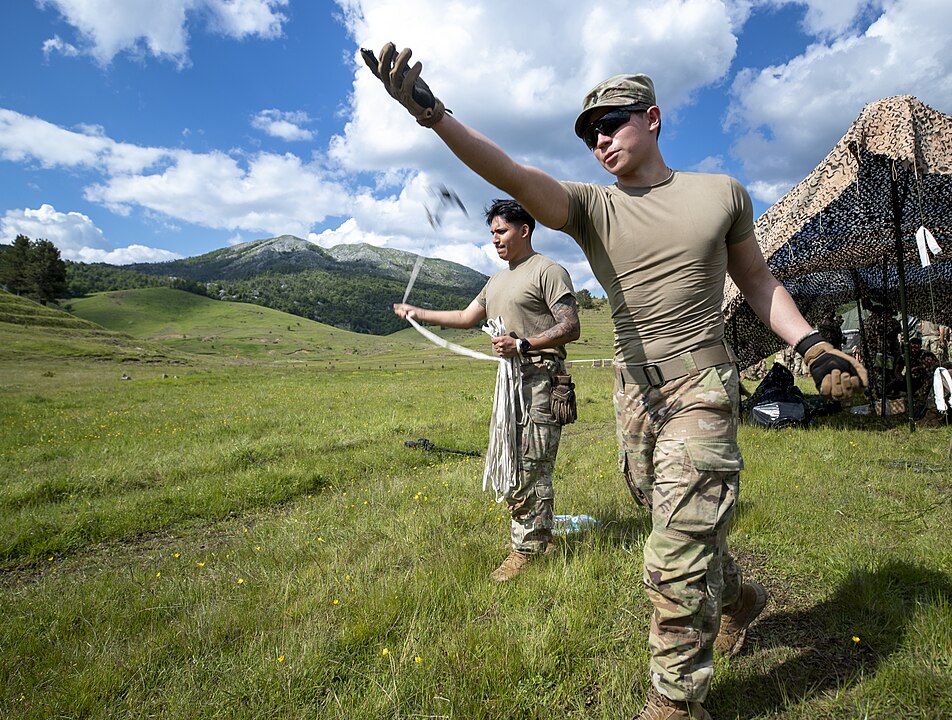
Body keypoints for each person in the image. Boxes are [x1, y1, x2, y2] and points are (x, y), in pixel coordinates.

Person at [361, 44, 867, 720]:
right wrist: (433, 115)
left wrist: (811, 345)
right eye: (589, 132)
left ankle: (675, 702)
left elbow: (758, 282)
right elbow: (509, 169)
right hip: (635, 393)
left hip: (703, 385)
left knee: (674, 555)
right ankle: (739, 598)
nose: (600, 139)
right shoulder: (590, 206)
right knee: (660, 510)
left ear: (652, 118)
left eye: (613, 122)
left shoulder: (722, 194)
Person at [393, 199, 581, 582]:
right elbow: (465, 318)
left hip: (541, 381)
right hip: (509, 384)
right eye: (492, 233)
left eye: (502, 231)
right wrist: (418, 312)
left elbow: (571, 326)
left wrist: (524, 344)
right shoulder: (496, 280)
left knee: (532, 464)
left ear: (524, 230)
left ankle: (528, 549)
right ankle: (536, 540)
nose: (495, 239)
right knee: (512, 462)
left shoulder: (548, 271)